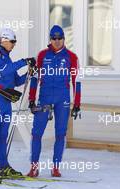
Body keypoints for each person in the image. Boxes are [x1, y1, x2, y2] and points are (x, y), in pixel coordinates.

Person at [0, 28, 35, 179]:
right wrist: (24, 61)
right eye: (12, 42)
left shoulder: (8, 59)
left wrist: (29, 73)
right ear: (3, 40)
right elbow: (3, 70)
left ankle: (3, 167)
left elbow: (16, 80)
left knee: (3, 135)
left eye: (15, 42)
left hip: (6, 100)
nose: (14, 45)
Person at [27, 25, 81, 177]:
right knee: (37, 133)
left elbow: (77, 81)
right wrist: (31, 99)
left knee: (60, 134)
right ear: (50, 39)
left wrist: (77, 104)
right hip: (44, 98)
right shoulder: (42, 55)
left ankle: (55, 167)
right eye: (54, 38)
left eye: (60, 38)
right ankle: (34, 167)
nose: (57, 41)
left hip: (62, 99)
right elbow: (35, 79)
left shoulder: (72, 57)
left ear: (64, 39)